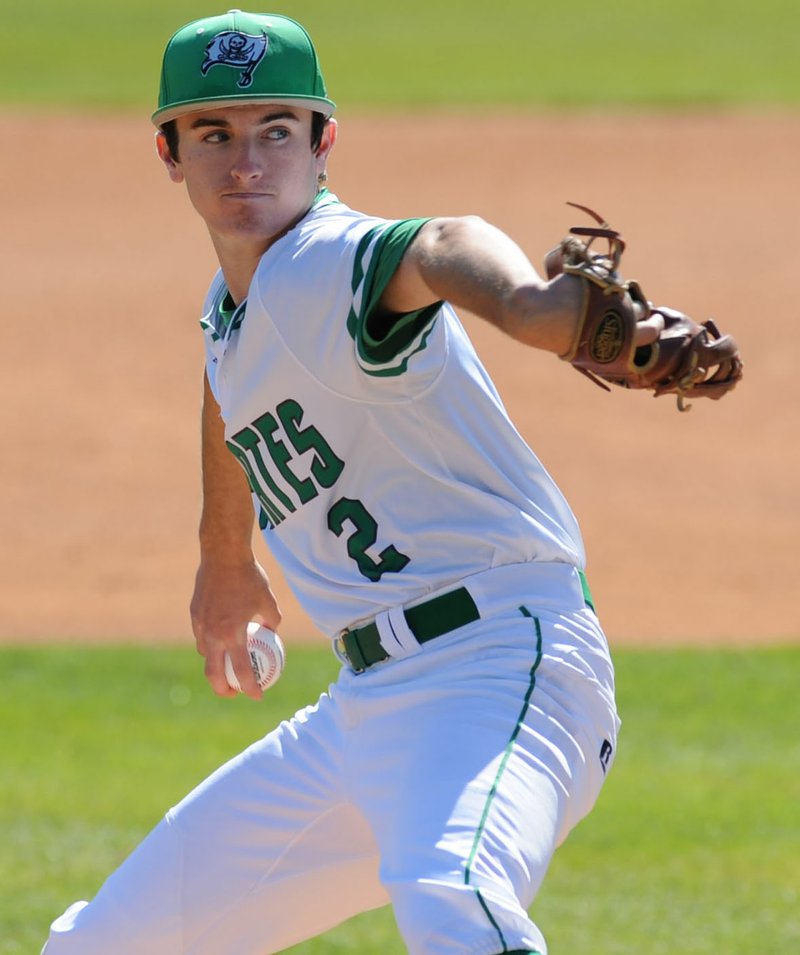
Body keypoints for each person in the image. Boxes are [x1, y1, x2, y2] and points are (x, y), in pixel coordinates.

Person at [43, 10, 671, 954]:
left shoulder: (326, 258)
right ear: (169, 152)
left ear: (323, 143)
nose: (246, 161)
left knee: (453, 900)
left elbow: (439, 244)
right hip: (365, 710)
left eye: (276, 132)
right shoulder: (238, 304)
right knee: (109, 943)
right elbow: (230, 384)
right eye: (214, 133)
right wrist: (226, 559)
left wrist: (527, 305)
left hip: (500, 668)